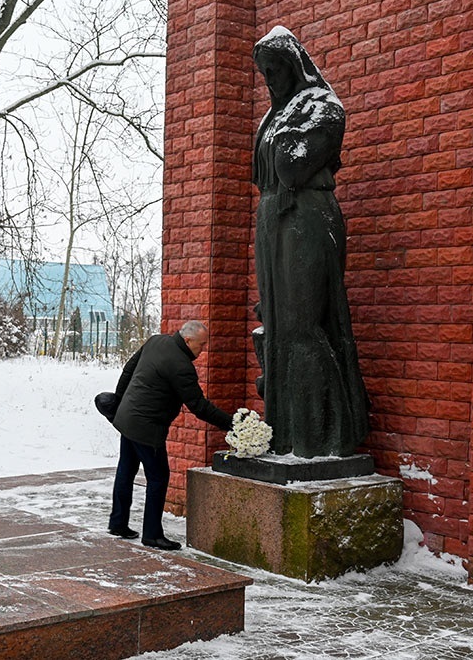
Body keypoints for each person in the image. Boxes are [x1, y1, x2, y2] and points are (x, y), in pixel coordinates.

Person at [251, 27, 369, 459]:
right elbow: (261, 174)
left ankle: (327, 437)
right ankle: (286, 435)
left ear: (295, 66)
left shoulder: (324, 109)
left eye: (276, 71)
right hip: (272, 220)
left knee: (303, 326)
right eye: (265, 74)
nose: (270, 81)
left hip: (307, 218)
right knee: (278, 327)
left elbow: (293, 169)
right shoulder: (274, 115)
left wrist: (283, 132)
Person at [107, 320, 233, 550]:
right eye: (201, 345)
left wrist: (119, 401)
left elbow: (128, 369)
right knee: (158, 477)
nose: (203, 350)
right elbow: (198, 406)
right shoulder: (181, 365)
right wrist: (232, 423)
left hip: (128, 418)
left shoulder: (156, 341)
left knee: (126, 469)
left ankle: (118, 523)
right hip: (147, 427)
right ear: (187, 340)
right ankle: (152, 535)